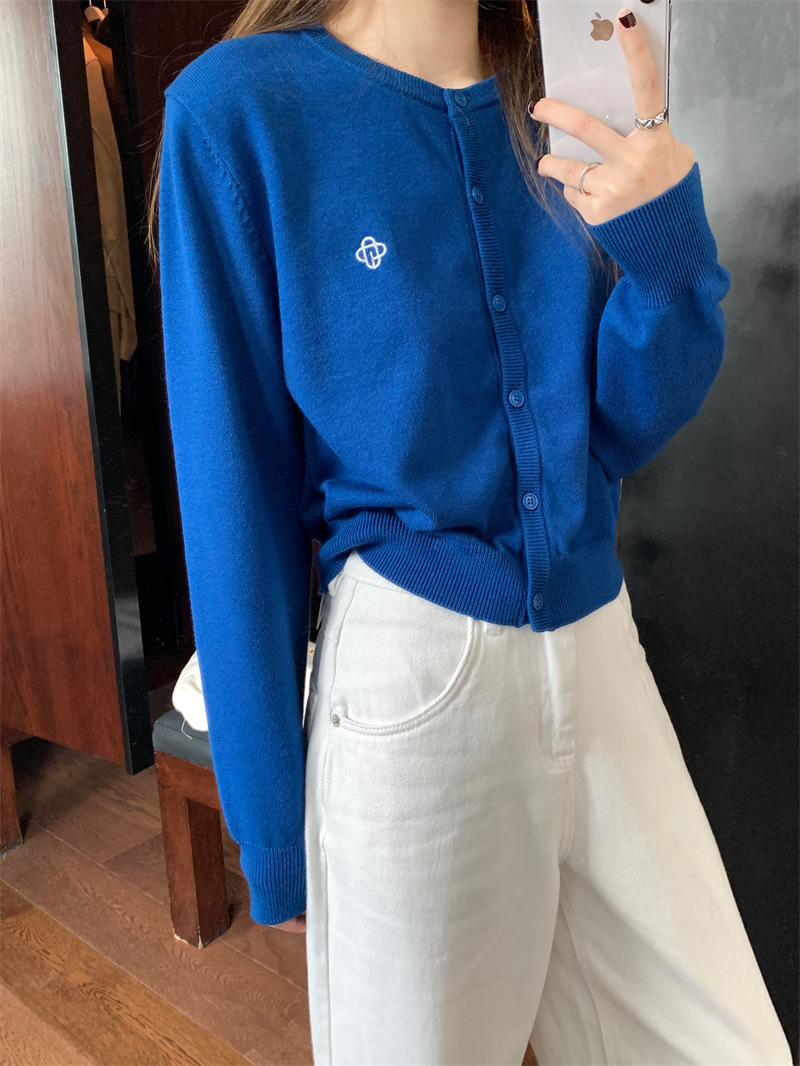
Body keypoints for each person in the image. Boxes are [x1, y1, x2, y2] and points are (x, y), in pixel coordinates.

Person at [151, 1, 793, 1063]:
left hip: (601, 649)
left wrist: (668, 259)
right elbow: (232, 490)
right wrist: (271, 828)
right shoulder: (241, 109)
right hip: (409, 675)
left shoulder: (562, 90)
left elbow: (614, 429)